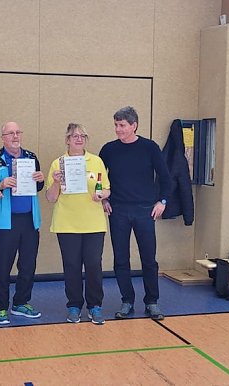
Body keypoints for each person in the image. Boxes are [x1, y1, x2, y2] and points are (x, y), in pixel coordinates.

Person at [99, 106, 171, 320]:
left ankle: (152, 301)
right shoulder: (108, 150)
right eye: (116, 125)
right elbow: (100, 178)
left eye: (122, 125)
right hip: (118, 210)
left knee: (149, 258)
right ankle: (127, 300)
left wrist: (163, 201)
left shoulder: (149, 148)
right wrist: (104, 200)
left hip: (145, 211)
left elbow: (166, 177)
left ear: (134, 125)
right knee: (121, 259)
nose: (118, 129)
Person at [46, 123, 111, 324]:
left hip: (93, 223)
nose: (79, 139)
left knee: (93, 264)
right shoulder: (58, 164)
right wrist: (56, 182)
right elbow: (50, 197)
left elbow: (107, 189)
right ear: (67, 139)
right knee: (72, 265)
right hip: (67, 223)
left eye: (83, 135)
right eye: (74, 136)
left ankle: (95, 306)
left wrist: (102, 195)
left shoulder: (96, 161)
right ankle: (74, 305)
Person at [0, 122, 45, 325]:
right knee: (2, 266)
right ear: (3, 137)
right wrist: (0, 184)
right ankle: (0, 307)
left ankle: (21, 302)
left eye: (18, 132)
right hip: (4, 222)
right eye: (10, 133)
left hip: (29, 219)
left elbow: (39, 185)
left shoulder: (31, 157)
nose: (15, 136)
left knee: (28, 264)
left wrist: (41, 178)